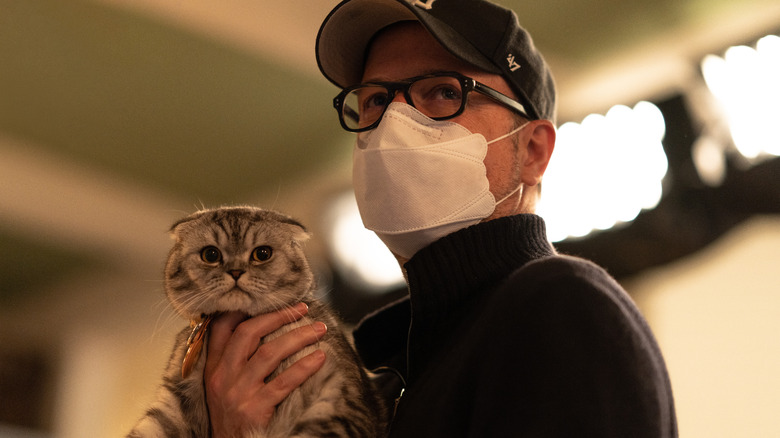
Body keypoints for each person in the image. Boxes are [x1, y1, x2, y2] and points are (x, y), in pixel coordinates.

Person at [204, 0, 679, 436]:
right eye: (373, 100)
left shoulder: (561, 306)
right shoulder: (385, 370)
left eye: (442, 92)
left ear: (533, 151)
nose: (393, 121)